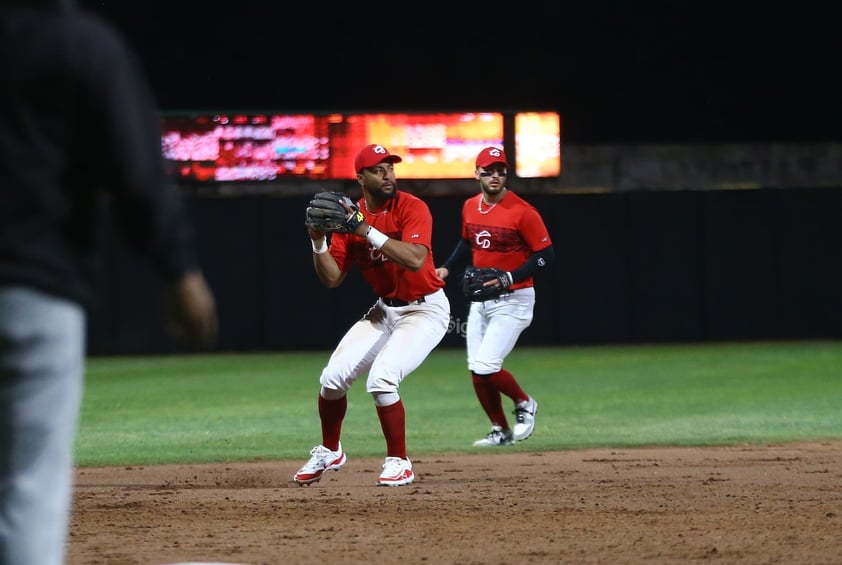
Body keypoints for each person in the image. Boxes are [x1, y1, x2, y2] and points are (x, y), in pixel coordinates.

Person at [0, 2, 219, 564]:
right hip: (33, 289)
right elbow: (136, 172)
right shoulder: (79, 43)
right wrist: (178, 270)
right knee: (29, 485)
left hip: (36, 286)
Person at [295, 143, 450, 487]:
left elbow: (413, 259)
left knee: (381, 379)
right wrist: (318, 242)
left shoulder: (412, 207)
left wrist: (364, 229)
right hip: (384, 310)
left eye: (390, 168)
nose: (388, 175)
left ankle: (400, 461)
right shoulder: (350, 218)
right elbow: (332, 278)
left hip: (426, 308)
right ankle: (330, 450)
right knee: (331, 379)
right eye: (378, 170)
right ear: (360, 177)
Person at [436, 146, 554, 447]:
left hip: (515, 298)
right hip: (482, 300)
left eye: (500, 170)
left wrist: (510, 277)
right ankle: (500, 430)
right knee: (477, 370)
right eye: (488, 170)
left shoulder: (523, 212)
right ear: (477, 174)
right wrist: (448, 268)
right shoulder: (469, 207)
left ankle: (525, 402)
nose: (495, 175)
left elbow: (546, 255)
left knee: (487, 365)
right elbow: (467, 242)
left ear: (506, 174)